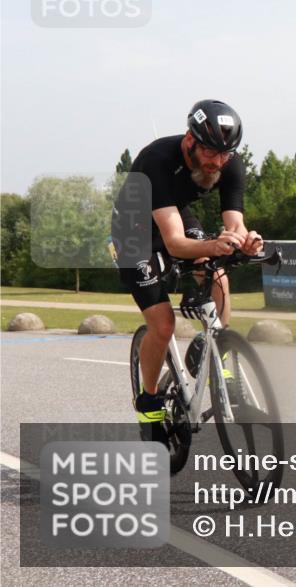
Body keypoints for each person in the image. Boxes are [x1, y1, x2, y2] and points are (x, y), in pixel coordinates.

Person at [111, 100, 263, 444]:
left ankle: (212, 349)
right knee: (163, 324)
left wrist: (246, 241)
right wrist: (215, 245)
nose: (217, 162)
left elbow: (234, 223)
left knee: (218, 277)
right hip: (135, 232)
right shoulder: (157, 160)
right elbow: (176, 243)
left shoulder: (229, 162)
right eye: (210, 152)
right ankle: (149, 404)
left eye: (224, 155)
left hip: (175, 215)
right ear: (189, 140)